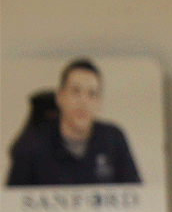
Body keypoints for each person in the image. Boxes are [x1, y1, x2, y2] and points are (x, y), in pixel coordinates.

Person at [6, 58, 140, 187]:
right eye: (75, 91)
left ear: (99, 102)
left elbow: (137, 195)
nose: (83, 101)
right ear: (60, 97)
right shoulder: (32, 144)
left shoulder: (114, 139)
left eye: (92, 94)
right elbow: (11, 200)